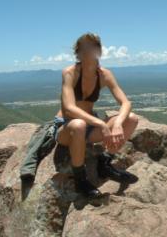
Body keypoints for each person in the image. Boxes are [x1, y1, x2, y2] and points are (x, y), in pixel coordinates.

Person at [53, 32, 139, 199]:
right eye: (85, 48)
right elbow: (69, 108)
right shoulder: (70, 73)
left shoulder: (104, 75)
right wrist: (102, 124)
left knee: (132, 119)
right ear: (77, 53)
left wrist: (118, 123)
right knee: (78, 124)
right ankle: (80, 180)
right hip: (67, 127)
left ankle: (105, 164)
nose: (89, 51)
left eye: (93, 47)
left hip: (90, 126)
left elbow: (126, 103)